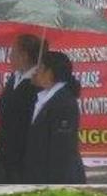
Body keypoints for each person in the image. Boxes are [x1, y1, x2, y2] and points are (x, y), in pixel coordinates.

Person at [0, 33, 44, 183]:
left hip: (22, 155)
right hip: (4, 150)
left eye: (13, 52)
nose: (9, 57)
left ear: (24, 55)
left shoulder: (37, 84)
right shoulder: (15, 77)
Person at [22, 51, 87, 183]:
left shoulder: (63, 102)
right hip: (40, 173)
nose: (35, 72)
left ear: (49, 72)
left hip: (57, 177)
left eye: (39, 68)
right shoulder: (45, 95)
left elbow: (61, 149)